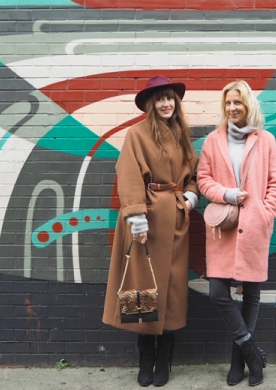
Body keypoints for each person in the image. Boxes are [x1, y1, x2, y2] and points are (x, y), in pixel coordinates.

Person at [102, 75, 199, 387]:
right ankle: (146, 354)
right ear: (150, 104)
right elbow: (128, 175)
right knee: (142, 285)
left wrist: (189, 198)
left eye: (169, 98)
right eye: (160, 99)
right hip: (146, 222)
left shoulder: (183, 136)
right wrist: (137, 220)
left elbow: (195, 174)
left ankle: (165, 358)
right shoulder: (137, 134)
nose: (166, 103)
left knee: (170, 289)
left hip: (176, 222)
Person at [198, 80, 276, 387]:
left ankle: (239, 363)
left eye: (238, 102)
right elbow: (204, 181)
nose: (233, 108)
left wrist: (264, 213)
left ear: (248, 105)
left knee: (251, 293)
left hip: (254, 228)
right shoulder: (212, 141)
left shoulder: (266, 140)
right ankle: (249, 352)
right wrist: (227, 194)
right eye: (228, 103)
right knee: (218, 292)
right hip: (224, 227)